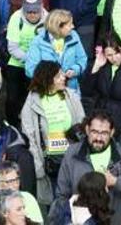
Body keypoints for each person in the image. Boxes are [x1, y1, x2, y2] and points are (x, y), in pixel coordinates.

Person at [51, 111, 121, 222]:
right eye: (94, 132)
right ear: (87, 130)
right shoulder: (72, 153)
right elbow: (61, 195)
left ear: (112, 132)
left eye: (104, 133)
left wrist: (115, 182)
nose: (98, 138)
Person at [20, 60, 85, 199]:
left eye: (62, 74)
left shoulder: (71, 96)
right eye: (58, 76)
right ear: (47, 79)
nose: (63, 78)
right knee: (57, 202)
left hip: (73, 157)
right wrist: (38, 166)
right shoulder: (32, 101)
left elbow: (82, 124)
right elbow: (30, 136)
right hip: (50, 162)